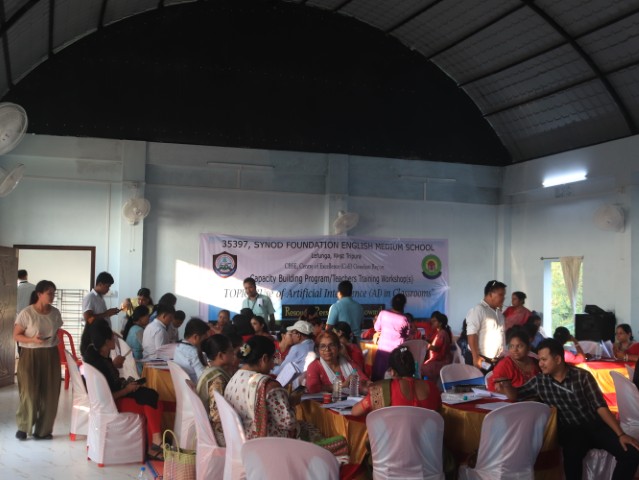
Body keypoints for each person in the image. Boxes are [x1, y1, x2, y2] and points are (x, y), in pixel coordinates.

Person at [496, 338, 639, 480]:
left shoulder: (582, 376)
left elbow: (600, 407)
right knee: (572, 459)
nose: (540, 364)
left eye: (544, 360)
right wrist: (506, 384)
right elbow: (516, 395)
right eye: (539, 360)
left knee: (631, 454)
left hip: (595, 425)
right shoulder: (540, 382)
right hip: (570, 429)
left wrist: (621, 434)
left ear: (558, 359)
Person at [83, 319, 164, 460]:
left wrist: (114, 366)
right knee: (153, 401)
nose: (115, 339)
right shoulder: (100, 363)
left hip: (108, 401)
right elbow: (107, 395)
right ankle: (155, 444)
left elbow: (108, 377)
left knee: (150, 397)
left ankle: (154, 444)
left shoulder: (95, 355)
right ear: (106, 341)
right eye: (112, 337)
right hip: (113, 404)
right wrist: (127, 390)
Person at [13, 280, 63, 440]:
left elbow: (57, 332)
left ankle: (43, 431)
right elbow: (16, 335)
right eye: (49, 293)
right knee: (29, 392)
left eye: (54, 293)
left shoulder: (55, 313)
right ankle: (23, 426)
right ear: (39, 294)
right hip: (30, 355)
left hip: (50, 354)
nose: (52, 296)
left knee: (50, 393)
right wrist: (32, 340)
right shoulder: (27, 313)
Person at [225, 335, 299, 438]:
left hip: (239, 439)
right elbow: (288, 423)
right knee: (311, 430)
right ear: (264, 358)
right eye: (273, 359)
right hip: (264, 443)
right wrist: (292, 404)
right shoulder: (268, 386)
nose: (273, 366)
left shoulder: (234, 378)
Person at [352, 346, 441, 416]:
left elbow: (355, 412)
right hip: (426, 435)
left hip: (393, 435)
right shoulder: (433, 388)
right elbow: (439, 415)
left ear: (392, 372)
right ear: (414, 367)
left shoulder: (381, 390)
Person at [196, 334, 235, 447]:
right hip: (218, 434)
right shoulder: (218, 380)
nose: (234, 354)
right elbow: (217, 416)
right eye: (231, 351)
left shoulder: (210, 370)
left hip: (208, 428)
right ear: (221, 355)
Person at [466, 280, 506, 372]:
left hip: (495, 360)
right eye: (501, 295)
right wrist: (475, 357)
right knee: (481, 381)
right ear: (490, 294)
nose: (503, 298)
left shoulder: (499, 314)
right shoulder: (478, 310)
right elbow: (472, 334)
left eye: (504, 295)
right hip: (480, 359)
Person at [372, 293, 409, 380]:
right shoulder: (404, 319)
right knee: (394, 376)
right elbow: (406, 335)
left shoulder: (383, 313)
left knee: (379, 374)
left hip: (383, 349)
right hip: (397, 352)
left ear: (392, 302)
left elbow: (376, 328)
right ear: (404, 305)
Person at [173, 317, 210, 382]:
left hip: (182, 385)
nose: (204, 342)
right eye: (204, 339)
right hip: (194, 386)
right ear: (196, 337)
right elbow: (203, 379)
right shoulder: (194, 353)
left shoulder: (178, 347)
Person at [421, 311, 453, 380]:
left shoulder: (442, 333)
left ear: (440, 323)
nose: (432, 323)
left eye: (434, 321)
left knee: (421, 368)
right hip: (440, 360)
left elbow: (436, 349)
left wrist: (425, 344)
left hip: (441, 362)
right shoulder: (440, 332)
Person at [121, 305, 151, 375]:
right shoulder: (139, 330)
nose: (149, 318)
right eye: (147, 315)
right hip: (137, 366)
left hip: (131, 363)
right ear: (141, 318)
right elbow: (147, 349)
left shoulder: (133, 328)